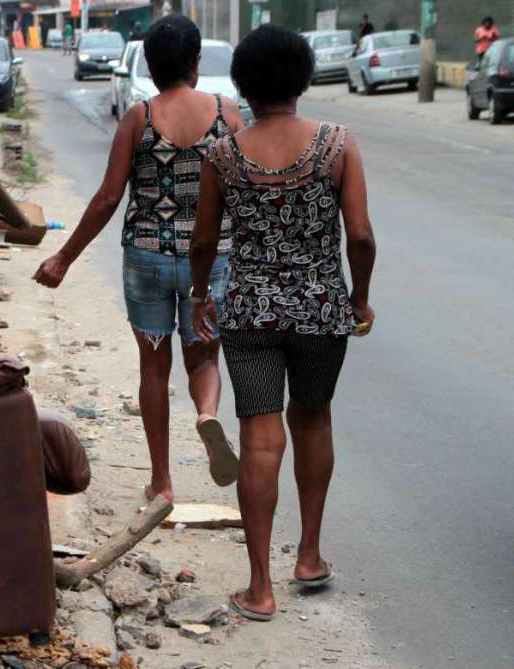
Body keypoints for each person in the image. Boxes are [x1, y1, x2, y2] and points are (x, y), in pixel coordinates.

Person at [189, 24, 376, 621]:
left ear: (243, 84)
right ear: (303, 79)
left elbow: (203, 239)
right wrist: (360, 300)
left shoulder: (223, 153)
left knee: (259, 437)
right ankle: (310, 557)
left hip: (250, 311)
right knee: (314, 420)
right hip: (322, 309)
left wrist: (200, 293)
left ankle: (260, 588)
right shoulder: (338, 143)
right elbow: (362, 237)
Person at [34, 15, 246, 503]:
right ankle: (207, 414)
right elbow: (244, 192)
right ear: (195, 64)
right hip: (209, 261)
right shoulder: (226, 115)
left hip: (147, 258)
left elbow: (109, 197)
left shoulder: (140, 117)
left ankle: (163, 482)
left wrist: (64, 257)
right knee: (203, 357)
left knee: (153, 368)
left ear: (150, 68)